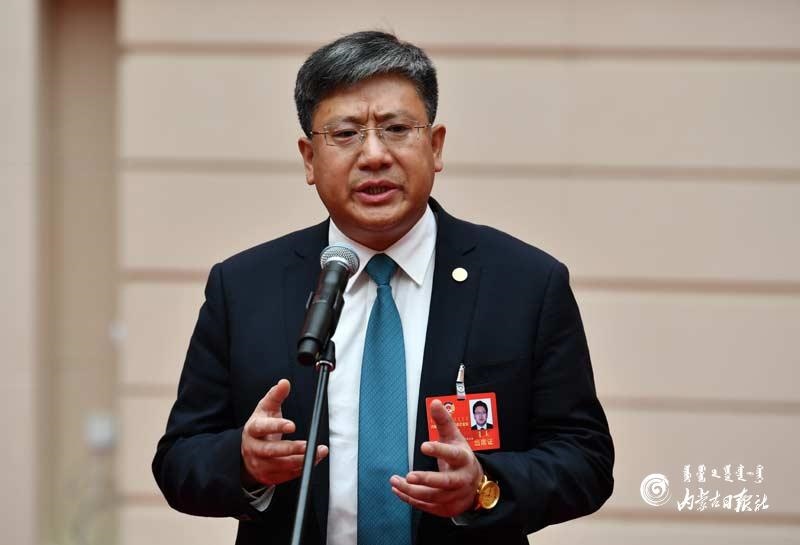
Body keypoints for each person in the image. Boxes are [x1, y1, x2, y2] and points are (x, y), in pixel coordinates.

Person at [152, 30, 614, 545]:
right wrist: (244, 462)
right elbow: (178, 460)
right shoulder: (244, 287)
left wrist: (483, 486)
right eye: (346, 134)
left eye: (396, 129)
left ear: (435, 146)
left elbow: (586, 459)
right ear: (309, 159)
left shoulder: (524, 283)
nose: (374, 155)